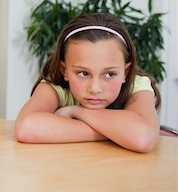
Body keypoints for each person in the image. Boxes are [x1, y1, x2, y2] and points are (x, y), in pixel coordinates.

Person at [15, 13, 161, 153]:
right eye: (83, 73)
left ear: (125, 72)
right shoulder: (55, 87)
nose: (95, 88)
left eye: (110, 74)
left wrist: (75, 111)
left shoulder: (137, 85)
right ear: (64, 70)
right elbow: (26, 127)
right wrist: (119, 133)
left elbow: (143, 137)